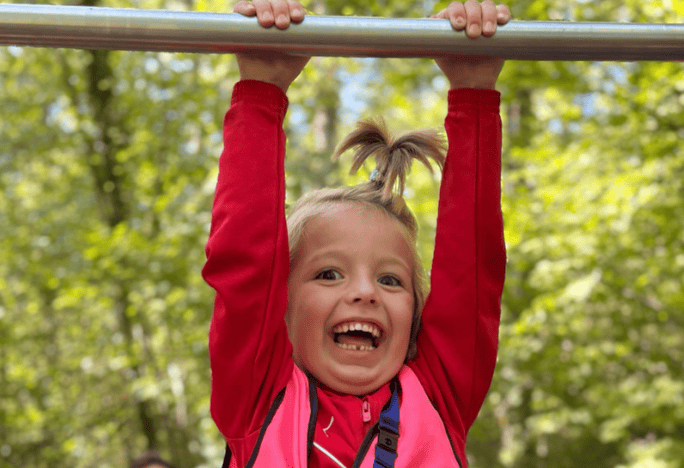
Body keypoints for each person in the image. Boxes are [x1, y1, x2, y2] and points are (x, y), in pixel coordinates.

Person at [202, 1, 509, 466]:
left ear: (414, 319)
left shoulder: (436, 397)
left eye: (390, 280)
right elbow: (245, 262)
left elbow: (473, 273)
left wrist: (474, 89)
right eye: (328, 274)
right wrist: (261, 87)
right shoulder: (260, 398)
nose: (365, 292)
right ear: (280, 309)